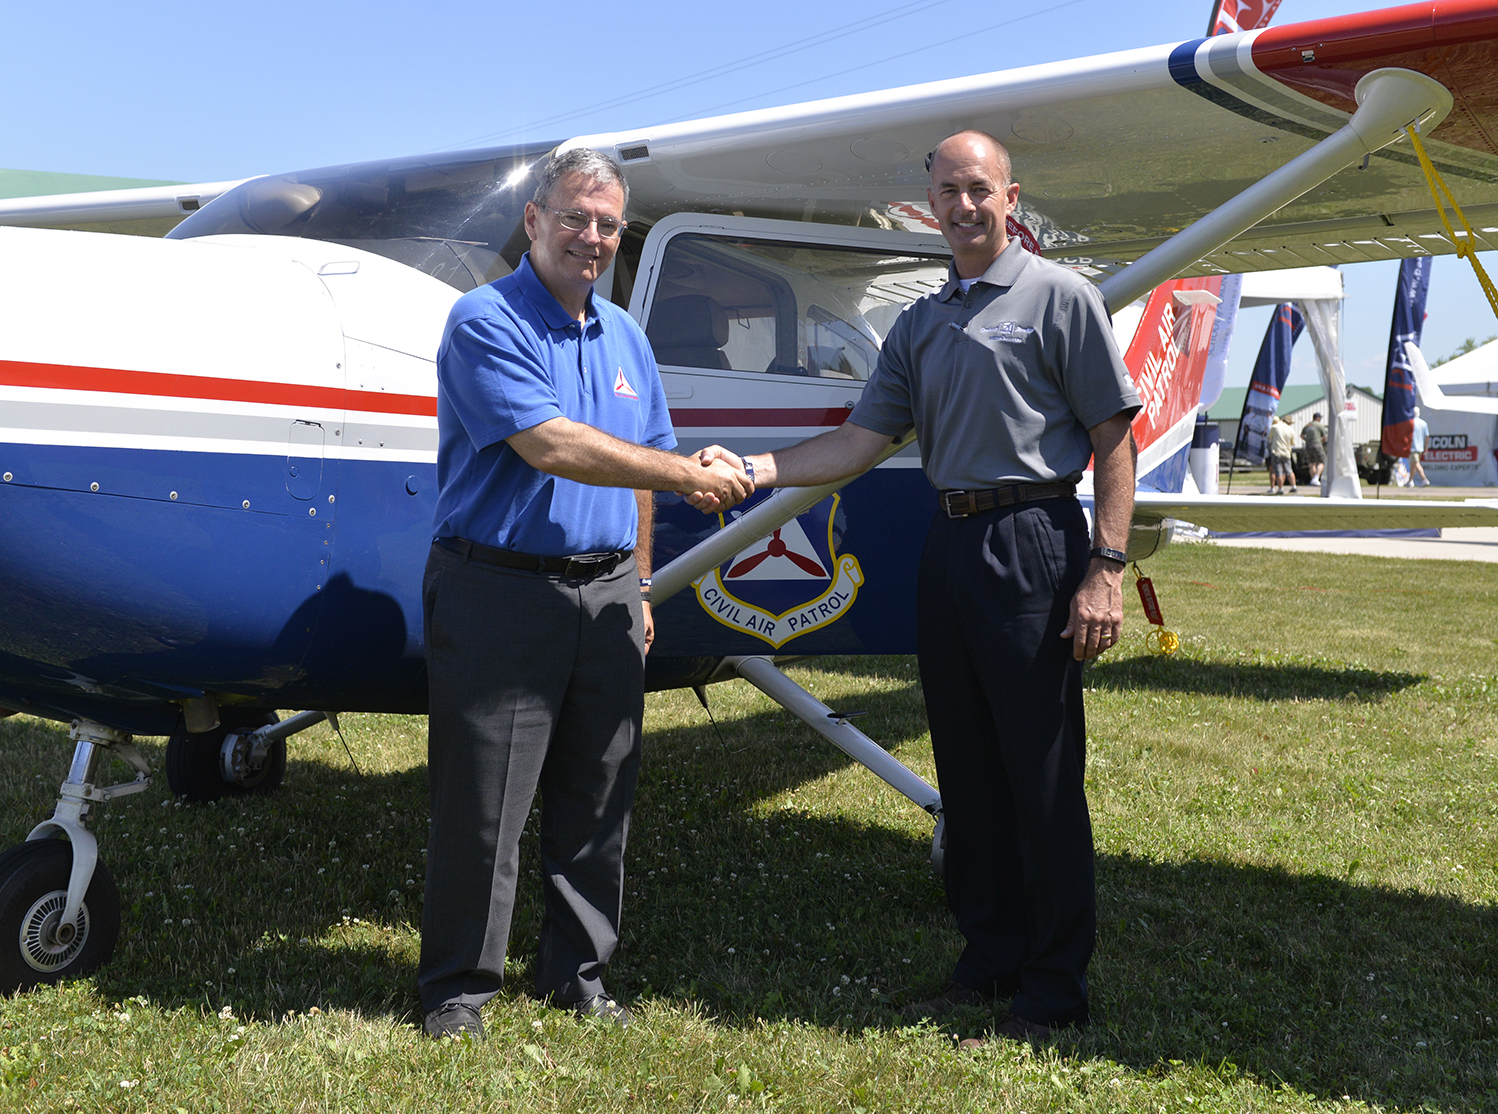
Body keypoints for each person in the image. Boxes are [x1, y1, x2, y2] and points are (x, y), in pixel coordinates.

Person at [702, 131, 1140, 1044]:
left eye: (979, 189)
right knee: (970, 772)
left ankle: (1055, 989)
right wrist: (756, 466)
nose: (964, 206)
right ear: (928, 204)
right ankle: (989, 962)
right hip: (950, 543)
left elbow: (1113, 438)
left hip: (1034, 538)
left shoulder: (1060, 298)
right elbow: (860, 443)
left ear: (1010, 196)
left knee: (1042, 774)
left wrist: (1104, 568)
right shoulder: (921, 321)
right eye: (947, 192)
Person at [418, 148, 751, 1042]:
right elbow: (552, 445)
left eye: (608, 224)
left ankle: (578, 973)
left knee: (599, 794)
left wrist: (641, 582)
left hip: (606, 591)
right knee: (484, 805)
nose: (592, 238)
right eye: (574, 218)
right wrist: (688, 475)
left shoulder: (627, 337)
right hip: (498, 588)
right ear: (533, 221)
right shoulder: (484, 321)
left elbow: (637, 474)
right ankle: (459, 990)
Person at [1267, 414, 1298, 494]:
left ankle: (1281, 489)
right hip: (1287, 452)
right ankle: (1294, 486)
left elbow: (1269, 437)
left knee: (1279, 471)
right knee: (1289, 470)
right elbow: (1293, 443)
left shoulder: (1275, 427)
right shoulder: (1291, 430)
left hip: (1277, 452)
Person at [1300, 412, 1327, 486]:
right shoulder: (1319, 425)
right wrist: (1320, 441)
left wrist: (1307, 440)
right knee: (1322, 461)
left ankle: (1313, 480)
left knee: (1312, 463)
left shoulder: (1308, 425)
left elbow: (1302, 435)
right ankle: (1316, 477)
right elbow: (1325, 437)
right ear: (1318, 418)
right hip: (1317, 444)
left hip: (1308, 445)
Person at [1409, 412, 1430, 487]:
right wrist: (1426, 446)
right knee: (1413, 464)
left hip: (1413, 447)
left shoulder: (1410, 422)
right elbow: (1427, 436)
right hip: (1420, 447)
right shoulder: (1423, 423)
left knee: (1416, 463)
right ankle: (1410, 481)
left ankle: (1424, 479)